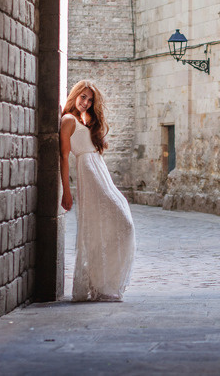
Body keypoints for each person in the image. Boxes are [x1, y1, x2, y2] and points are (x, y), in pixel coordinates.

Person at [59, 80, 136, 301]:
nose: (86, 102)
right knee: (112, 224)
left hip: (100, 171)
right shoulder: (68, 120)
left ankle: (102, 282)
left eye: (90, 99)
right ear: (74, 95)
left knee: (121, 223)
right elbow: (64, 157)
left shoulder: (86, 120)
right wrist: (67, 191)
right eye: (82, 97)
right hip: (89, 175)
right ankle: (98, 283)